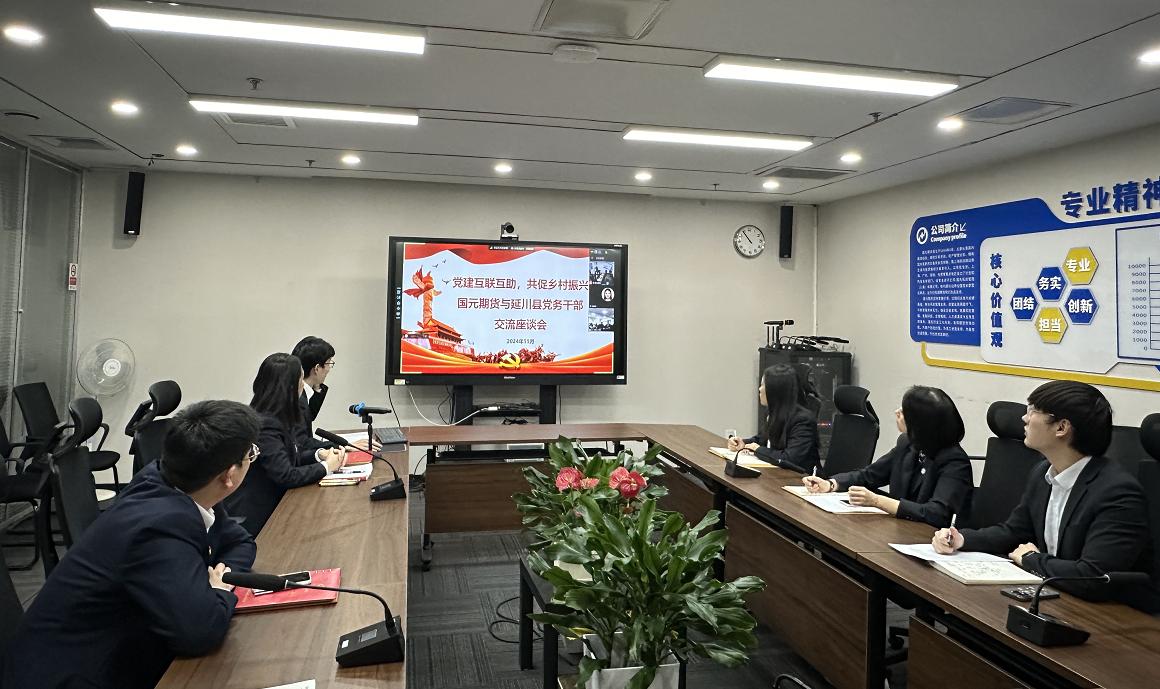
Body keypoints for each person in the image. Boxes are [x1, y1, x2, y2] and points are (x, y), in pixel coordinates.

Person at [1, 400, 261, 689]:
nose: (252, 458)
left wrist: (221, 577)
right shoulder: (160, 524)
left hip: (116, 656)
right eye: (250, 454)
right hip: (69, 678)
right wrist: (218, 591)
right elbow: (200, 631)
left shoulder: (178, 484)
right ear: (229, 475)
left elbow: (240, 541)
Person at [933, 381, 1158, 610]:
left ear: (1062, 427)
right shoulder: (1043, 472)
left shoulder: (1117, 492)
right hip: (1060, 597)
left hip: (1114, 614)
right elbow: (1014, 532)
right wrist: (962, 539)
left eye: (1033, 411)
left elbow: (1092, 577)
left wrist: (1031, 559)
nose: (1024, 418)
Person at [803, 385, 971, 528]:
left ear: (920, 424)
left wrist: (877, 501)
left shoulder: (955, 462)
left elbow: (936, 514)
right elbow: (870, 475)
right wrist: (831, 484)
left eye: (904, 412)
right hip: (900, 528)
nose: (897, 412)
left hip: (929, 538)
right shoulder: (907, 444)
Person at [224, 353, 346, 535]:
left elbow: (287, 457)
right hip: (259, 520)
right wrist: (326, 466)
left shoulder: (274, 416)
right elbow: (286, 475)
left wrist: (318, 454)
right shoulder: (266, 425)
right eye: (300, 380)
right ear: (290, 387)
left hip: (273, 506)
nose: (302, 385)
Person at [727, 363, 820, 474]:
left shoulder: (803, 420)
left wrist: (757, 450)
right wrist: (743, 443)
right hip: (775, 474)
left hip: (802, 479)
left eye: (763, 385)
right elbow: (762, 439)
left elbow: (789, 458)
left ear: (775, 391)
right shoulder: (773, 412)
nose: (759, 389)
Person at [291, 336, 336, 452]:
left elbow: (310, 415)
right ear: (317, 368)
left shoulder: (297, 391)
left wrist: (317, 386)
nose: (329, 369)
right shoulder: (297, 398)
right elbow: (303, 443)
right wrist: (339, 446)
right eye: (329, 363)